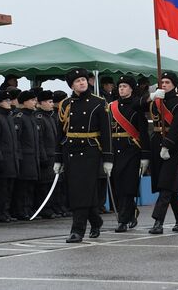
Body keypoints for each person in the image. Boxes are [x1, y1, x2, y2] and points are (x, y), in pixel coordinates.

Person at [55, 68, 112, 243]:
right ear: (71, 85)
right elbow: (60, 133)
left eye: (84, 80)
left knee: (83, 189)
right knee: (76, 190)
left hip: (90, 150)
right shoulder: (65, 104)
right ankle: (95, 220)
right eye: (78, 81)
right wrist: (57, 158)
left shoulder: (99, 102)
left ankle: (77, 230)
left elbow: (106, 132)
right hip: (70, 151)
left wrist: (108, 158)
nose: (82, 83)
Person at [148, 71, 178, 234]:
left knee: (166, 183)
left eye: (167, 82)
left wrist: (167, 145)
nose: (164, 85)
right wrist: (151, 97)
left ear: (174, 85)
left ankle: (158, 221)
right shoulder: (156, 100)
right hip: (156, 142)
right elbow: (136, 105)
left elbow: (177, 126)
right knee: (166, 184)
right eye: (162, 82)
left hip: (173, 145)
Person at [109, 75, 151, 232]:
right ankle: (131, 212)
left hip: (132, 149)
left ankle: (123, 220)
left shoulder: (136, 106)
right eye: (120, 86)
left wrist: (145, 155)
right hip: (115, 149)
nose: (121, 89)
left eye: (125, 86)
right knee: (117, 185)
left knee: (127, 185)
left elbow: (144, 133)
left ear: (132, 89)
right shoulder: (111, 106)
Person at [13, 90, 44, 220]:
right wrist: (19, 157)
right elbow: (17, 139)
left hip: (33, 157)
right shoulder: (19, 117)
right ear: (24, 102)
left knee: (31, 186)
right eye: (32, 100)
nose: (35, 102)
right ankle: (21, 210)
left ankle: (29, 209)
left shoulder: (32, 116)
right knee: (23, 186)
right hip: (25, 157)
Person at [0, 90, 19, 222]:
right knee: (1, 188)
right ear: (0, 103)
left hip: (11, 157)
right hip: (3, 157)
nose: (9, 103)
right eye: (6, 101)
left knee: (9, 187)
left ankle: (5, 211)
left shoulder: (8, 116)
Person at [35, 90, 59, 219]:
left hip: (53, 155)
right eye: (49, 102)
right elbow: (40, 140)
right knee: (44, 185)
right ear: (41, 103)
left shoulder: (50, 117)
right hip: (46, 156)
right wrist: (43, 156)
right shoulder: (39, 118)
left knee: (52, 184)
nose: (51, 104)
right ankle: (45, 208)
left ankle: (52, 207)